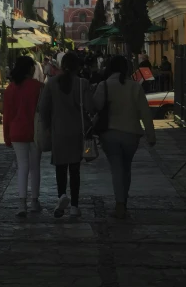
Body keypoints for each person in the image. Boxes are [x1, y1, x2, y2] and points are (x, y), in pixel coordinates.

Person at [93, 55, 156, 219]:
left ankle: (120, 203)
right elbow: (145, 113)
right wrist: (151, 135)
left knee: (116, 168)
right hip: (131, 135)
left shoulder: (104, 85)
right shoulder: (135, 87)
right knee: (126, 168)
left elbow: (95, 107)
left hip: (110, 134)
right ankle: (123, 202)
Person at [39, 51, 92, 219]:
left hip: (58, 131)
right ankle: (75, 205)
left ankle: (61, 197)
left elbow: (43, 108)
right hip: (77, 132)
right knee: (75, 170)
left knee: (60, 168)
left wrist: (47, 126)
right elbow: (91, 107)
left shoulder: (52, 83)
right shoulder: (82, 84)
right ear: (77, 67)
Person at [3, 55, 44, 218]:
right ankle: (34, 201)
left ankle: (22, 204)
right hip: (35, 132)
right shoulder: (39, 87)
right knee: (35, 167)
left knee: (22, 167)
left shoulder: (10, 89)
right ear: (31, 69)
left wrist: (6, 136)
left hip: (17, 131)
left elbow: (7, 115)